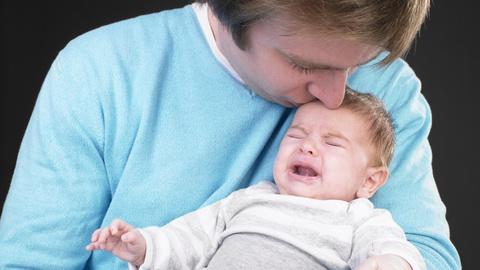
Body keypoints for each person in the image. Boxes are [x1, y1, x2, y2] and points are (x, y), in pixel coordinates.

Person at [0, 0, 460, 269]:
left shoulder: (388, 87)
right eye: (303, 65)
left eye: (356, 63)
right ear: (230, 13)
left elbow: (427, 257)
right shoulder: (99, 71)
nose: (336, 95)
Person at [85, 89, 427, 270]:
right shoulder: (249, 199)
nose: (307, 147)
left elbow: (392, 247)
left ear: (369, 182)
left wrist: (392, 263)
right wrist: (143, 247)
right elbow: (189, 239)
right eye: (296, 136)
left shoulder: (359, 218)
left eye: (332, 142)